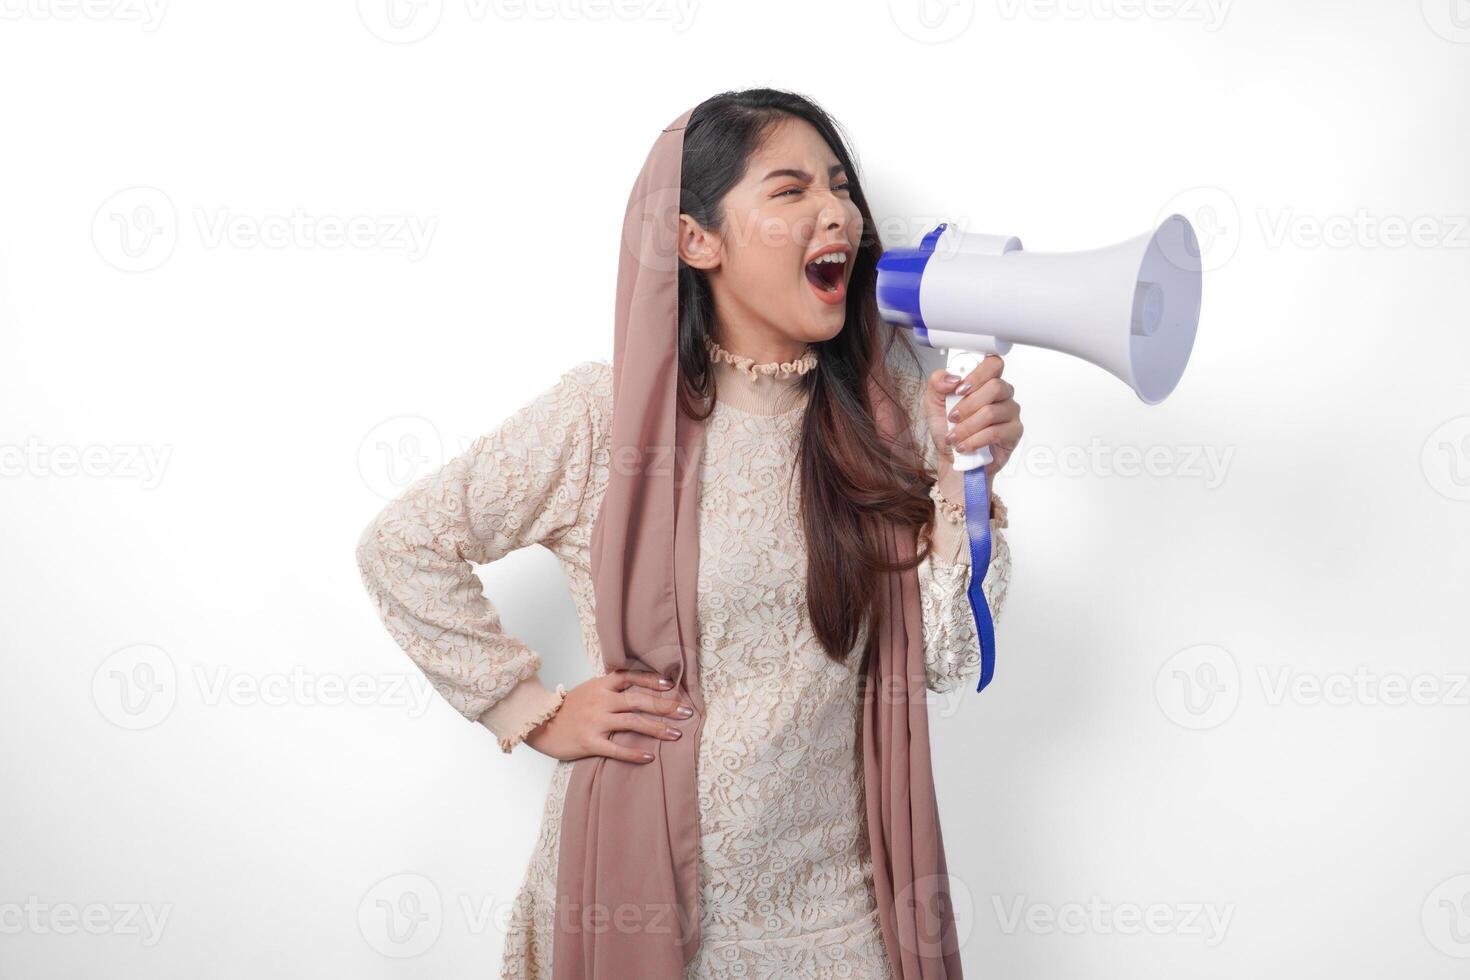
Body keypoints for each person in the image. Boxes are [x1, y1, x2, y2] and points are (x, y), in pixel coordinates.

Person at [355, 88, 1022, 979]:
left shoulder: (893, 418)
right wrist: (533, 711)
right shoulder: (607, 419)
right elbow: (402, 546)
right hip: (636, 889)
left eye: (839, 187)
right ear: (695, 239)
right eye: (789, 192)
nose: (839, 214)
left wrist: (961, 480)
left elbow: (941, 660)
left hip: (833, 913)